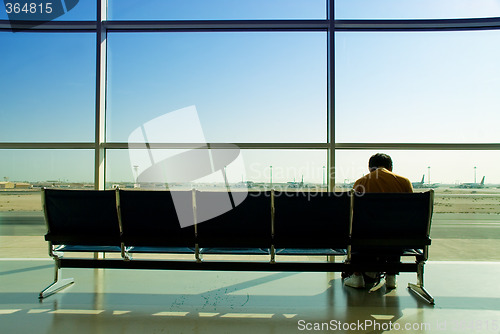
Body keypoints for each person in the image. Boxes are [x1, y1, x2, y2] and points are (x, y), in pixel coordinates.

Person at [344, 153, 413, 289]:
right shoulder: (404, 182)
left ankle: (357, 275)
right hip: (398, 238)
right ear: (390, 167)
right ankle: (391, 276)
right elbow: (410, 211)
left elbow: (353, 212)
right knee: (396, 226)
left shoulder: (361, 182)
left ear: (370, 168)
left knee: (358, 229)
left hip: (367, 237)